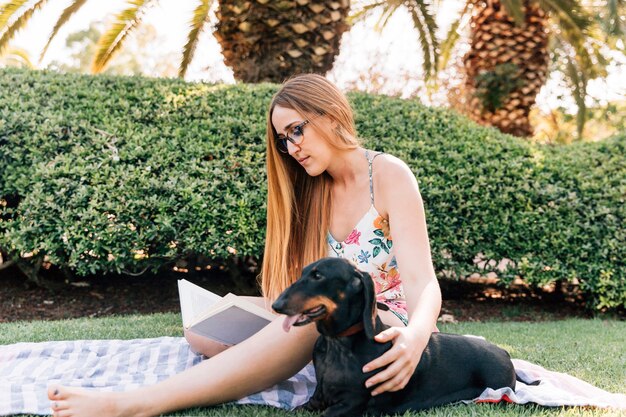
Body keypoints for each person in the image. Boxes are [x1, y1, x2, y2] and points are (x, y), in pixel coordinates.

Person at [47, 73, 441, 417]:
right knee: (203, 330)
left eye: (296, 130)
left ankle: (138, 403)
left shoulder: (388, 175)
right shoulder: (311, 189)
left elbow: (424, 284)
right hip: (335, 321)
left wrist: (415, 339)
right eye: (283, 139)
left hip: (386, 322)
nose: (291, 148)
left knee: (310, 321)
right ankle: (277, 360)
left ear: (329, 114)